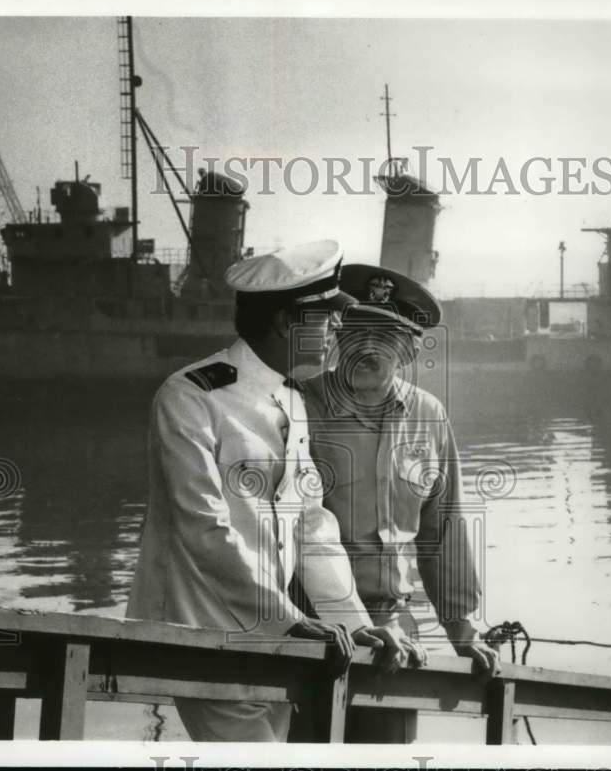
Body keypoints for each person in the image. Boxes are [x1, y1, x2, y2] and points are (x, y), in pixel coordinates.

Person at [126, 241, 405, 742]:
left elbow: (311, 527)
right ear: (285, 322)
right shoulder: (191, 397)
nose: (340, 328)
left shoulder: (291, 399)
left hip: (277, 639)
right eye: (328, 316)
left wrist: (352, 621)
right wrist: (289, 620)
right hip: (207, 635)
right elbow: (203, 528)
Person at [301, 264, 501, 743]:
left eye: (385, 337)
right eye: (355, 332)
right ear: (334, 338)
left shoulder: (430, 415)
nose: (367, 348)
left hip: (395, 629)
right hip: (312, 628)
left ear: (409, 350)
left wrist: (463, 627)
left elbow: (442, 529)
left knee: (386, 749)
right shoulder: (299, 406)